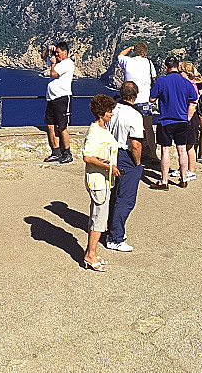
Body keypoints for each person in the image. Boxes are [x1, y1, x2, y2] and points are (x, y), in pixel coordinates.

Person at [82, 94, 120, 271]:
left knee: (98, 217)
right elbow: (87, 157)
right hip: (98, 182)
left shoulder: (103, 129)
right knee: (98, 218)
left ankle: (93, 252)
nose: (111, 114)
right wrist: (108, 167)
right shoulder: (94, 132)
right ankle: (90, 255)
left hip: (104, 181)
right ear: (101, 113)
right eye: (109, 111)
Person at [105, 82, 144, 252]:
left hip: (111, 154)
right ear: (135, 96)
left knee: (114, 196)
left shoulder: (112, 111)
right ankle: (115, 238)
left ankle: (111, 230)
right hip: (126, 156)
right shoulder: (134, 115)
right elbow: (135, 144)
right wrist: (137, 163)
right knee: (126, 199)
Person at [149, 57, 198, 190]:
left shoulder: (161, 81)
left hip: (166, 121)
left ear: (166, 67)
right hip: (182, 121)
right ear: (177, 66)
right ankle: (183, 179)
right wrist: (186, 118)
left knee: (166, 151)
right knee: (182, 150)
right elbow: (193, 101)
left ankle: (164, 181)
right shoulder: (186, 83)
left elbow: (152, 98)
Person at [117, 43, 158, 163]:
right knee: (148, 128)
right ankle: (153, 154)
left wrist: (129, 48)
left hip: (129, 100)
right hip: (145, 99)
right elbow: (154, 78)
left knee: (127, 128)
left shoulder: (128, 61)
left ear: (135, 52)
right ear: (145, 53)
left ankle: (129, 154)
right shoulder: (149, 63)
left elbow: (120, 55)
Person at [42, 42, 75, 164]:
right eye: (56, 52)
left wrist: (54, 63)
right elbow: (43, 57)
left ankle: (67, 152)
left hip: (62, 98)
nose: (56, 54)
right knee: (50, 125)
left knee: (62, 127)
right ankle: (56, 152)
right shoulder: (57, 61)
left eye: (58, 52)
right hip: (51, 98)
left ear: (65, 52)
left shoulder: (67, 63)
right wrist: (47, 49)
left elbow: (53, 73)